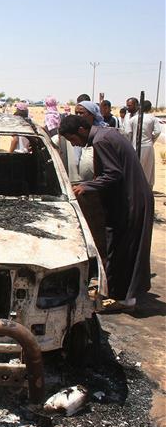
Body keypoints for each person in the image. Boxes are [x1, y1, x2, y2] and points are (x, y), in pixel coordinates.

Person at [59, 115, 153, 312]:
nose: (74, 144)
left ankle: (124, 299)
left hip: (130, 201)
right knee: (123, 248)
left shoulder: (101, 141)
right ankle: (120, 293)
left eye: (72, 139)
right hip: (133, 197)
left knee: (123, 249)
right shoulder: (106, 134)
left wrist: (86, 186)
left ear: (82, 130)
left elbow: (113, 173)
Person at [124, 100, 161, 188]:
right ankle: (147, 188)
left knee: (136, 168)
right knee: (148, 169)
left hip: (135, 146)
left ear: (139, 107)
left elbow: (127, 132)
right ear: (150, 108)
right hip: (148, 146)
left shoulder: (133, 119)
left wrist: (130, 143)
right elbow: (158, 131)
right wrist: (152, 139)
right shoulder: (153, 118)